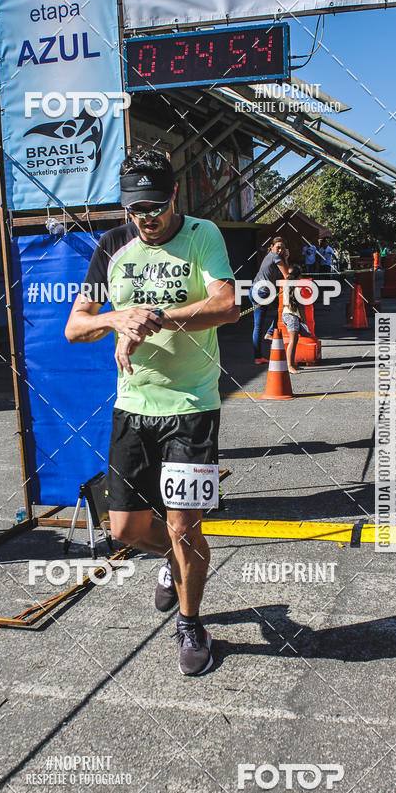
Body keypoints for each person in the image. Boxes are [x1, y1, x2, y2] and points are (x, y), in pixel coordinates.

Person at [64, 148, 239, 676]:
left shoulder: (203, 235)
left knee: (185, 526)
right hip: (132, 410)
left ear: (174, 198)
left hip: (192, 408)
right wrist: (120, 318)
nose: (145, 217)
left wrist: (157, 317)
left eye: (155, 206)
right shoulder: (113, 246)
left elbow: (228, 304)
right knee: (123, 530)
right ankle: (173, 562)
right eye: (135, 207)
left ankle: (191, 622)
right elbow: (76, 327)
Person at [250, 236, 289, 364]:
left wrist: (285, 258)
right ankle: (269, 334)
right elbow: (287, 275)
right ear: (272, 247)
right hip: (263, 292)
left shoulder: (270, 256)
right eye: (278, 247)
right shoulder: (276, 257)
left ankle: (260, 352)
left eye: (282, 248)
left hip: (254, 290)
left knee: (261, 324)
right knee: (282, 311)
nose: (280, 250)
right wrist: (286, 259)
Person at [281, 266, 308, 374]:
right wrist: (304, 319)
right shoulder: (296, 289)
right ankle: (290, 365)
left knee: (294, 340)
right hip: (292, 316)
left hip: (287, 314)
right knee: (293, 341)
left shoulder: (287, 287)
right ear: (298, 276)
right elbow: (301, 306)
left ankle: (292, 363)